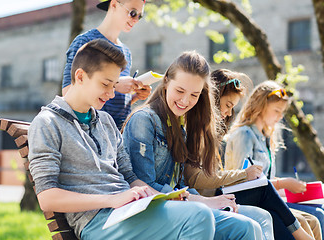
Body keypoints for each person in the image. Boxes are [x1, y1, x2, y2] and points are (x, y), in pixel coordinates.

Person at [28, 39, 224, 240]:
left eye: (114, 85)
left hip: (130, 211)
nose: (112, 94)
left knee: (240, 227)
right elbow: (47, 198)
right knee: (198, 217)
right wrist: (112, 199)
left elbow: (130, 178)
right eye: (105, 84)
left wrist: (157, 196)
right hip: (98, 221)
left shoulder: (104, 121)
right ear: (80, 76)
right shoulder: (47, 123)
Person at [123, 51, 267, 239]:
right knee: (245, 226)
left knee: (257, 219)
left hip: (178, 206)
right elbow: (145, 186)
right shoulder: (143, 120)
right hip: (152, 211)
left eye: (194, 95)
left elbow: (180, 184)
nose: (185, 101)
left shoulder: (179, 124)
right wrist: (204, 201)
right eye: (180, 91)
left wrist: (209, 200)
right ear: (166, 81)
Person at [185, 69, 320, 240]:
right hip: (212, 197)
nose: (228, 113)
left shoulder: (211, 135)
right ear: (212, 99)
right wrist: (247, 175)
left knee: (313, 216)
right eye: (228, 105)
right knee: (267, 195)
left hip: (224, 193)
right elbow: (200, 179)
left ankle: (301, 235)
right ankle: (301, 236)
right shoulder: (206, 134)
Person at [224, 80, 320, 240]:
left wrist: (292, 187)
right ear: (260, 107)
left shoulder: (266, 138)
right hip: (248, 201)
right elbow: (242, 181)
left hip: (270, 200)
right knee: (304, 220)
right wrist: (284, 183)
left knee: (315, 218)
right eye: (276, 111)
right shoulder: (244, 134)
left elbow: (266, 179)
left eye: (282, 112)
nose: (280, 117)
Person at [62, 0, 151, 129]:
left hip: (118, 134)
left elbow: (112, 101)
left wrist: (134, 96)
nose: (136, 19)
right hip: (90, 132)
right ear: (114, 4)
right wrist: (116, 85)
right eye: (132, 13)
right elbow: (67, 92)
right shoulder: (85, 42)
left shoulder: (126, 52)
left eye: (140, 16)